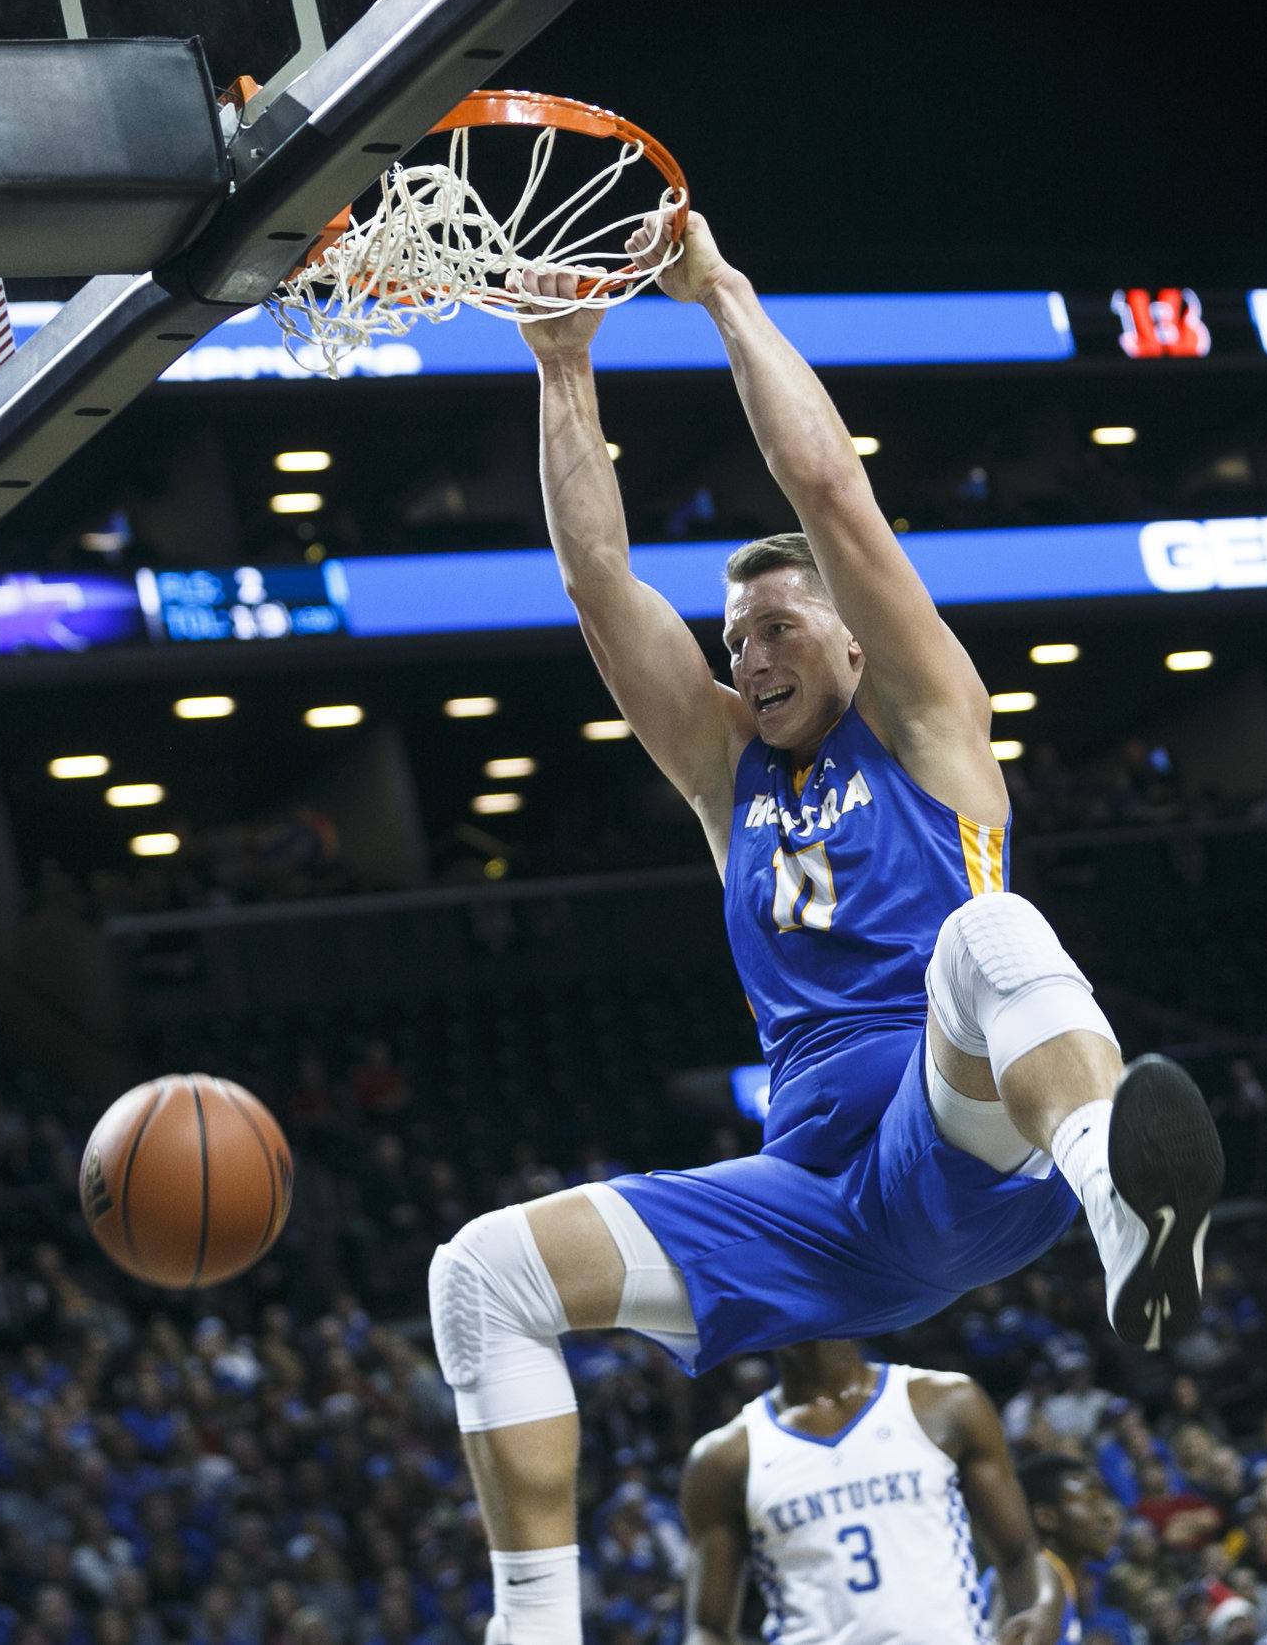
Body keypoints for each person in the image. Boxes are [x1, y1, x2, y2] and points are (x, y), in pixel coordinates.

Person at [434, 213, 1225, 1645]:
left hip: (967, 1142)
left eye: (780, 626)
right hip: (820, 1210)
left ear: (856, 643)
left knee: (983, 936)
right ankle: (533, 1624)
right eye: (735, 637)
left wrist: (716, 289)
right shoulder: (727, 772)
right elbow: (599, 589)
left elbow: (827, 489)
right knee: (480, 1270)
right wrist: (563, 366)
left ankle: (1125, 1202)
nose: (748, 652)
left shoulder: (929, 725)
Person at [678, 1341, 1062, 1645]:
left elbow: (1021, 1555)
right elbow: (708, 1628)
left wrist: (1042, 1611)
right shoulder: (723, 1458)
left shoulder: (948, 1403)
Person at [1020, 1450, 1127, 1645]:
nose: (1107, 1515)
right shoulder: (1037, 1584)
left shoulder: (1049, 1579)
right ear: (1046, 1518)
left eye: (1104, 1500)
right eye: (1090, 1501)